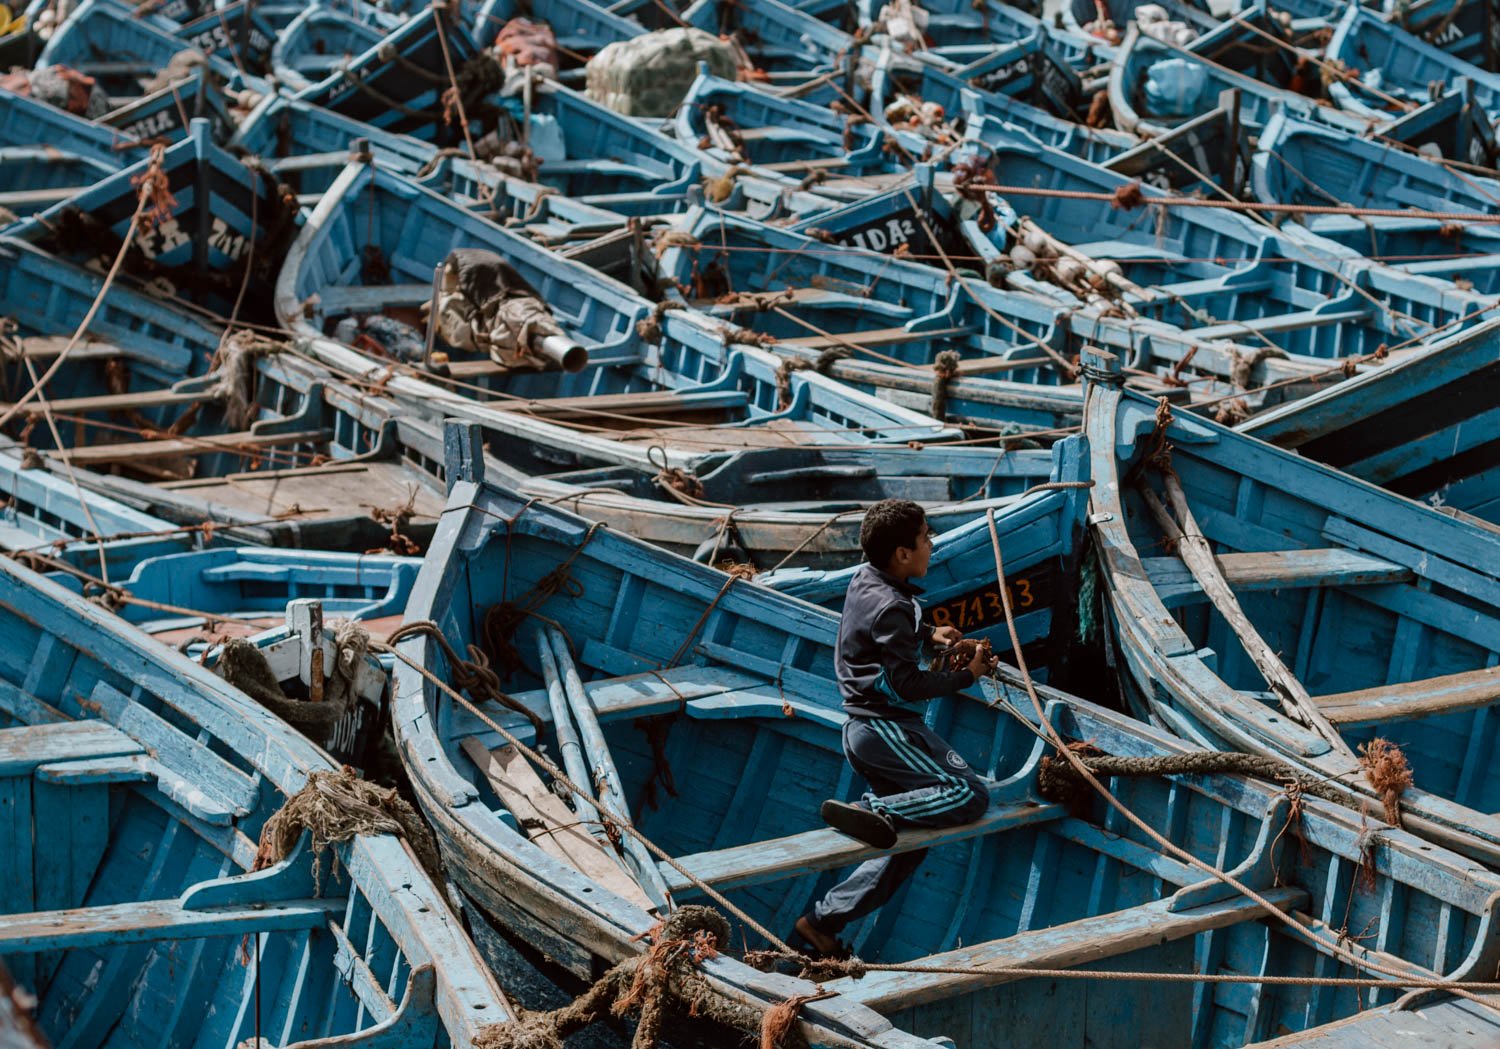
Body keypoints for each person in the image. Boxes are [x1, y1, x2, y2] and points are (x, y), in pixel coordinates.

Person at [793, 499, 997, 958]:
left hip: (872, 729)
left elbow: (892, 629)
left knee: (908, 847)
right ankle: (877, 810)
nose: (931, 544)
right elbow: (906, 681)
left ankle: (821, 923)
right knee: (969, 794)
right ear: (902, 554)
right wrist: (969, 676)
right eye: (925, 537)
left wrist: (931, 636)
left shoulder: (868, 579)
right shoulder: (893, 606)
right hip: (882, 728)